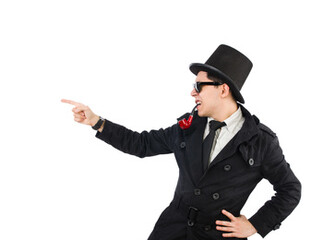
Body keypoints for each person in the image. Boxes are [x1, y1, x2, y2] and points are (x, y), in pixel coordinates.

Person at [62, 44, 301, 239]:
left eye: (199, 86)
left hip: (217, 235)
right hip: (172, 229)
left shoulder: (261, 141)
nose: (192, 93)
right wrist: (97, 122)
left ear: (223, 90)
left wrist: (256, 224)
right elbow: (141, 143)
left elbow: (290, 189)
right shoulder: (189, 127)